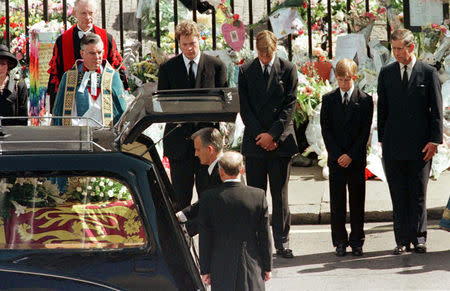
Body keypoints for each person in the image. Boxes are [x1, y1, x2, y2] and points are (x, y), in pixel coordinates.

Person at [377, 29, 443, 255]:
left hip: (421, 146)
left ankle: (419, 237)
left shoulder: (428, 73)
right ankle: (402, 240)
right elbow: (382, 110)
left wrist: (434, 141)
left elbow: (436, 109)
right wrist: (382, 142)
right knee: (398, 194)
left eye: (399, 49)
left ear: (411, 47)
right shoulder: (386, 73)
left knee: (418, 194)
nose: (396, 53)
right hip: (394, 145)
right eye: (393, 49)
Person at [238, 30, 298, 258]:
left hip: (280, 142)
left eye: (268, 54)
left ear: (275, 49)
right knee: (256, 195)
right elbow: (245, 108)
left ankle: (282, 241)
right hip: (256, 143)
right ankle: (258, 240)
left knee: (280, 195)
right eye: (261, 54)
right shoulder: (245, 71)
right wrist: (261, 136)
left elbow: (289, 106)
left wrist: (273, 135)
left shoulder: (288, 69)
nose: (264, 58)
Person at [157, 20, 227, 212]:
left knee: (209, 197)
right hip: (179, 144)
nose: (189, 49)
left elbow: (224, 103)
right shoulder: (168, 69)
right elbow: (162, 103)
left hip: (207, 145)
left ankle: (208, 239)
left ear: (200, 40)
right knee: (180, 201)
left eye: (193, 44)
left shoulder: (216, 66)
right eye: (185, 44)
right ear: (179, 44)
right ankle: (182, 241)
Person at [320, 58, 373, 256]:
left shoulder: (365, 100)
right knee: (337, 202)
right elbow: (326, 130)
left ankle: (357, 240)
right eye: (340, 79)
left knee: (358, 201)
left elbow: (364, 132)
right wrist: (337, 154)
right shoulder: (329, 99)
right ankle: (340, 241)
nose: (343, 84)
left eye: (347, 80)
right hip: (336, 159)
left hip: (356, 158)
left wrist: (350, 154)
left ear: (354, 78)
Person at [198, 151, 272, 290]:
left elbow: (205, 237)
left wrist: (205, 269)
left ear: (221, 172)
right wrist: (267, 267)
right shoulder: (258, 196)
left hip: (220, 264)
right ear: (242, 170)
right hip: (251, 263)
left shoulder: (208, 198)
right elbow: (264, 235)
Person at [47, 0, 128, 111]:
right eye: (83, 13)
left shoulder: (107, 38)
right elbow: (56, 75)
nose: (88, 17)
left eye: (91, 13)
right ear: (75, 14)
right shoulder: (63, 40)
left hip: (103, 103)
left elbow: (116, 70)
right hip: (72, 103)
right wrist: (54, 109)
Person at [52, 33, 126, 126]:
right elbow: (58, 112)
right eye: (92, 53)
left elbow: (121, 111)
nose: (97, 57)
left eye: (99, 52)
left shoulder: (112, 76)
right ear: (82, 54)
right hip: (76, 135)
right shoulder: (68, 77)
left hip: (105, 135)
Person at [176, 127, 223, 237]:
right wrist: (181, 215)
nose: (195, 154)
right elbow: (207, 200)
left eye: (198, 149)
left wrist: (187, 229)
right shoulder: (215, 169)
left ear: (210, 149)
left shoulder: (222, 173)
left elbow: (216, 210)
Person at [0, 45, 27, 125]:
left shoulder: (19, 86)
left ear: (8, 66)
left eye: (3, 64)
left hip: (13, 135)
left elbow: (23, 118)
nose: (0, 68)